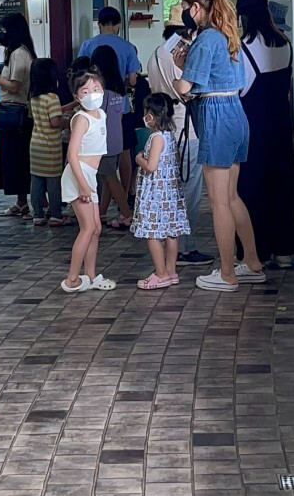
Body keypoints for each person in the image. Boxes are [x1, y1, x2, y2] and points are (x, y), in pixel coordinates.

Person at [172, 0, 265, 292]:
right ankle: (251, 262)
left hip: (215, 116)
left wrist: (179, 72)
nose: (183, 11)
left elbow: (185, 87)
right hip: (235, 112)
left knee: (218, 201)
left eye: (184, 6)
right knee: (232, 196)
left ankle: (227, 273)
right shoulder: (228, 34)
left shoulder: (206, 39)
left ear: (196, 7)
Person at [237, 0, 294, 268]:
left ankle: (256, 252)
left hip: (254, 130)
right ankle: (284, 249)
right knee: (282, 187)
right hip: (282, 125)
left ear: (243, 16)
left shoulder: (243, 48)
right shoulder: (285, 43)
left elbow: (240, 90)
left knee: (251, 189)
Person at [147, 19, 211, 268]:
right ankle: (186, 246)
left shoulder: (154, 56)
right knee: (190, 191)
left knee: (169, 190)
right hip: (187, 129)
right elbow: (189, 90)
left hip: (164, 132)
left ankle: (170, 245)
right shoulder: (179, 57)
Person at [60, 67, 117, 293]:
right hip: (79, 175)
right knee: (88, 228)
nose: (92, 94)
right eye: (85, 91)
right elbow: (72, 155)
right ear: (76, 97)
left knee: (95, 228)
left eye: (96, 89)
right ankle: (72, 279)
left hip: (89, 175)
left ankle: (91, 276)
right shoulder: (81, 118)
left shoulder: (101, 114)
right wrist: (83, 185)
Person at [131, 93, 190, 290]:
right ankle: (171, 271)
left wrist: (139, 158)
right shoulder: (170, 135)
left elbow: (151, 166)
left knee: (153, 234)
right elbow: (176, 159)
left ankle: (160, 273)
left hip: (155, 194)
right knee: (171, 233)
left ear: (152, 114)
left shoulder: (156, 137)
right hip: (171, 193)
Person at [0, 12, 36, 218]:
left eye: (4, 29)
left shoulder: (19, 54)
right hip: (12, 113)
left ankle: (28, 202)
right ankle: (20, 202)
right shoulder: (14, 52)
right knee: (13, 159)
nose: (2, 33)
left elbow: (14, 86)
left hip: (18, 114)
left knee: (18, 160)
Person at [90, 44, 133, 229]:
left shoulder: (101, 92)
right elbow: (120, 115)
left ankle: (127, 214)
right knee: (108, 178)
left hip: (103, 140)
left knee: (110, 177)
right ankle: (101, 213)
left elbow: (96, 115)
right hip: (117, 138)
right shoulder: (119, 90)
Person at [29, 58, 67, 228]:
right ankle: (56, 215)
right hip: (50, 146)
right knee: (53, 182)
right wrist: (69, 121)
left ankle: (38, 214)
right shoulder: (52, 98)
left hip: (35, 145)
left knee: (36, 181)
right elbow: (55, 121)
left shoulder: (34, 97)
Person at [79, 7, 141, 87]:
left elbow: (80, 74)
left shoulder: (86, 45)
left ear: (99, 25)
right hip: (118, 93)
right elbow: (132, 81)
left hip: (94, 93)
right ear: (118, 25)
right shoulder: (129, 47)